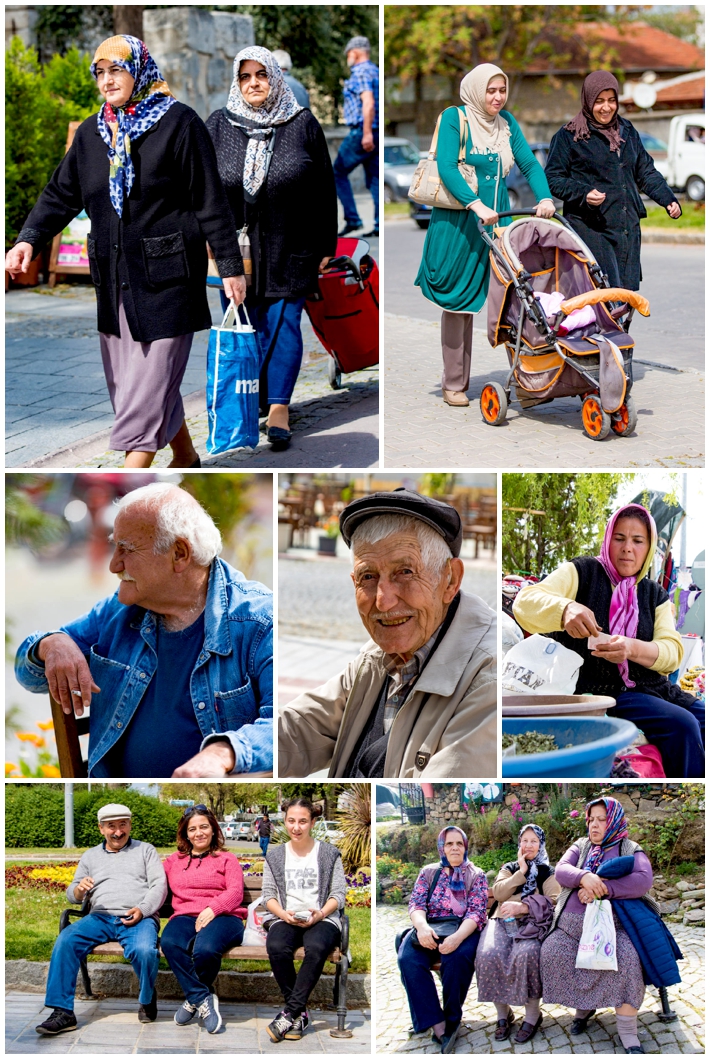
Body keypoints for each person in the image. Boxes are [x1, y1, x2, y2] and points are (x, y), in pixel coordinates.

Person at [5, 35, 245, 469]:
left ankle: (127, 484)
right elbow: (61, 194)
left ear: (140, 70)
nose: (107, 80)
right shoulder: (93, 133)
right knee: (134, 387)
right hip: (113, 281)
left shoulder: (179, 123)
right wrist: (28, 239)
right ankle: (187, 458)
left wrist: (229, 265)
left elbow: (210, 200)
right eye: (100, 71)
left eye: (116, 69)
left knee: (145, 395)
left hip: (169, 279)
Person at [15, 483, 273, 778]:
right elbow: (29, 676)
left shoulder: (259, 620)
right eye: (114, 546)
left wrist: (223, 752)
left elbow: (282, 728)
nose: (113, 565)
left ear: (179, 554)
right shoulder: (120, 610)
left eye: (127, 549)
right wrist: (50, 644)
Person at [278, 489, 497, 778]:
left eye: (405, 572)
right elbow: (300, 728)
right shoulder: (378, 658)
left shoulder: (488, 679)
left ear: (450, 580)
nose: (383, 600)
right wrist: (234, 750)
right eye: (368, 577)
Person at [206, 46, 337, 452]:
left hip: (293, 246)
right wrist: (211, 243)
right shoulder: (219, 125)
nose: (253, 84)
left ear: (275, 77)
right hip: (237, 252)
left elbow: (324, 190)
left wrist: (326, 245)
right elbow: (206, 192)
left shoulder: (301, 124)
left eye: (261, 75)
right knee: (247, 325)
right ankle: (252, 397)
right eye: (245, 77)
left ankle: (279, 406)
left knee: (284, 323)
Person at [513, 502, 704, 778]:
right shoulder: (582, 572)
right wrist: (565, 609)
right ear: (608, 539)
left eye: (638, 541)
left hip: (655, 688)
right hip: (607, 692)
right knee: (683, 725)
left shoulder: (653, 594)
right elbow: (524, 602)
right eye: (619, 538)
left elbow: (672, 652)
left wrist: (630, 648)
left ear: (648, 549)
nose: (628, 547)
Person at [415, 63, 555, 408]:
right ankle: (454, 383)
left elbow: (530, 165)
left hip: (498, 223)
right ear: (477, 90)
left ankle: (528, 379)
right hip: (459, 224)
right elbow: (447, 167)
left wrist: (545, 197)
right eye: (491, 90)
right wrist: (475, 204)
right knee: (459, 304)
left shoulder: (506, 124)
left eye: (502, 90)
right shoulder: (455, 119)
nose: (497, 97)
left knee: (514, 300)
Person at [540, 797, 659, 1054]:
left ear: (614, 820)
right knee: (552, 951)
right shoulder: (581, 845)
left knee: (627, 959)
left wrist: (602, 889)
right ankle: (583, 1007)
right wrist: (585, 877)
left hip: (615, 930)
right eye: (591, 819)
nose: (594, 825)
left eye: (601, 819)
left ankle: (627, 1030)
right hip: (571, 930)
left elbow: (643, 880)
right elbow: (561, 870)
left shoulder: (629, 847)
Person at [35, 804, 167, 1036]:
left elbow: (159, 885)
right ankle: (63, 1012)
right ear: (101, 829)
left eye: (122, 825)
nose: (118, 832)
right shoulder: (91, 856)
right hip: (100, 917)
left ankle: (147, 998)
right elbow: (73, 893)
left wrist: (143, 909)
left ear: (130, 824)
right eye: (111, 826)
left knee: (144, 950)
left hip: (138, 917)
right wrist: (79, 891)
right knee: (66, 941)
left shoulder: (146, 850)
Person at [545, 71, 681, 291]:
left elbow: (645, 171)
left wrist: (668, 199)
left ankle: (619, 328)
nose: (606, 107)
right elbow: (553, 178)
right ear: (588, 101)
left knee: (625, 296)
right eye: (599, 101)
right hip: (591, 227)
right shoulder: (569, 136)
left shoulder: (627, 130)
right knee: (607, 294)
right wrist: (584, 193)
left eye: (611, 101)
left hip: (626, 227)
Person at [262, 796, 346, 1042]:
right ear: (284, 821)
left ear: (312, 822)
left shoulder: (329, 854)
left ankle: (290, 1013)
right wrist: (283, 915)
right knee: (276, 946)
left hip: (322, 918)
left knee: (317, 947)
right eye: (291, 821)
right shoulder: (275, 855)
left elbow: (338, 895)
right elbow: (268, 896)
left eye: (302, 821)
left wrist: (320, 913)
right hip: (285, 916)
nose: (296, 827)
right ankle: (299, 1013)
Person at [397, 827, 488, 1053]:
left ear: (465, 846)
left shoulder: (476, 875)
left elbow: (476, 913)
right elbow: (416, 905)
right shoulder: (428, 872)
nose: (455, 848)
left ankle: (452, 1017)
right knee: (408, 958)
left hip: (462, 929)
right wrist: (422, 928)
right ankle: (437, 1023)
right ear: (442, 847)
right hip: (430, 928)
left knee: (457, 958)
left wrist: (457, 938)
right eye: (449, 844)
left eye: (459, 843)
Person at [161, 805, 246, 1034]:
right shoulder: (173, 861)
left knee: (205, 949)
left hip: (224, 917)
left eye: (204, 827)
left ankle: (192, 999)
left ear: (213, 829)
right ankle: (201, 997)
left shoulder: (227, 859)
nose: (199, 833)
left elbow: (236, 892)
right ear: (185, 834)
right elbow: (148, 875)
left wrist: (213, 908)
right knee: (169, 942)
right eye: (192, 829)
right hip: (185, 916)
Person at [476, 824, 560, 1044]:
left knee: (528, 953)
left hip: (531, 924)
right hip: (501, 922)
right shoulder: (510, 867)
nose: (529, 845)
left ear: (541, 844)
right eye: (525, 840)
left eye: (534, 841)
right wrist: (521, 872)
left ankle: (533, 1016)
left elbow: (555, 902)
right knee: (488, 954)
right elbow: (500, 892)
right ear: (519, 844)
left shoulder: (547, 872)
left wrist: (524, 908)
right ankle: (503, 1015)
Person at [334, 36, 379, 239]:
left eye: (348, 54)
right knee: (376, 179)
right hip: (374, 131)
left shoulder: (360, 71)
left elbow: (368, 103)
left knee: (337, 172)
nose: (347, 59)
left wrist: (367, 132)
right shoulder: (374, 70)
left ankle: (353, 219)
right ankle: (378, 224)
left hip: (363, 131)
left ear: (355, 52)